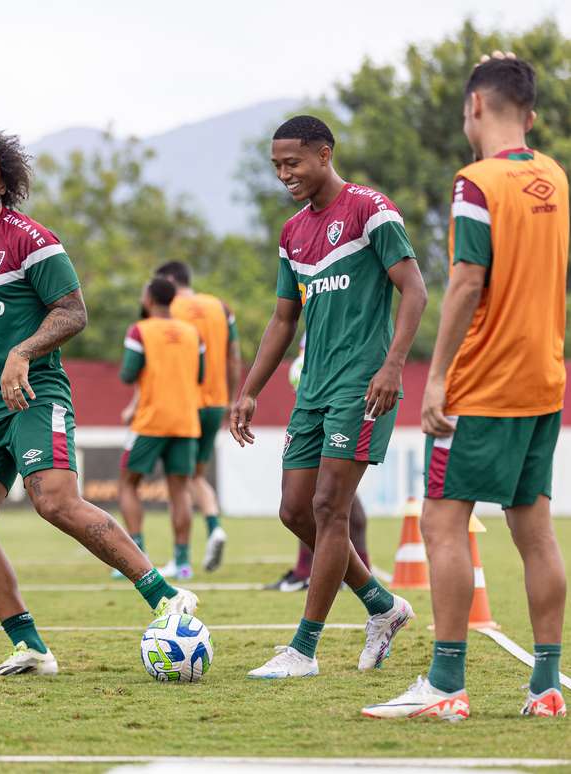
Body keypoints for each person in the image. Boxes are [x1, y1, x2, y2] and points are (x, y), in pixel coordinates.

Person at [0, 121, 197, 677]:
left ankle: (165, 598)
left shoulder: (31, 240)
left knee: (54, 500)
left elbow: (73, 312)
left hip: (33, 395)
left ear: (4, 183)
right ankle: (29, 647)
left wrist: (23, 351)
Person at [364, 54, 569, 720]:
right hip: (544, 380)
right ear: (531, 115)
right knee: (535, 531)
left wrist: (440, 378)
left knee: (443, 522)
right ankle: (545, 687)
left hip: (484, 384)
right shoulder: (556, 177)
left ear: (475, 106)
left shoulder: (475, 183)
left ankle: (446, 683)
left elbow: (466, 281)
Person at [231, 115, 428, 678]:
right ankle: (383, 607)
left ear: (324, 153)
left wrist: (393, 365)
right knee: (295, 511)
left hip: (361, 385)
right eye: (276, 166)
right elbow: (282, 319)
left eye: (292, 163)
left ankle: (303, 649)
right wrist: (248, 391)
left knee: (328, 508)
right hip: (312, 389)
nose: (283, 174)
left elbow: (413, 289)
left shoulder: (370, 209)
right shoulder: (292, 232)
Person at [155, 260, 241, 572]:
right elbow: (234, 356)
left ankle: (181, 559)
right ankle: (214, 527)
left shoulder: (168, 310)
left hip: (183, 404)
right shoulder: (219, 306)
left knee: (178, 482)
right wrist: (231, 399)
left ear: (167, 281)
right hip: (217, 402)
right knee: (195, 476)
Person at [266, 333, 371, 591]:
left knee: (323, 499)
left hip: (344, 403)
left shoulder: (347, 313)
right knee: (320, 499)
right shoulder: (315, 314)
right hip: (314, 402)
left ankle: (339, 573)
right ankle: (316, 570)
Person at [118, 277, 204, 580]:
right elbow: (200, 375)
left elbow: (128, 374)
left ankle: (135, 557)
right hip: (186, 420)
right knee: (179, 489)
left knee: (128, 483)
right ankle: (182, 562)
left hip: (151, 420)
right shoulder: (193, 333)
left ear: (149, 298)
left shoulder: (139, 330)